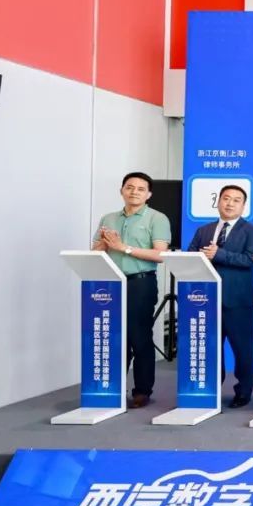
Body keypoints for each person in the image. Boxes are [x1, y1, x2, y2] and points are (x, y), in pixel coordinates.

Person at [91, 172, 171, 409]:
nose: (134, 192)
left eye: (140, 189)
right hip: (111, 284)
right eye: (129, 187)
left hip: (140, 283)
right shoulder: (108, 218)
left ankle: (142, 390)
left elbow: (160, 254)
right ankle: (114, 388)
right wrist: (105, 244)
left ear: (149, 194)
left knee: (139, 336)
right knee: (115, 336)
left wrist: (123, 247)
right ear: (122, 191)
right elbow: (96, 252)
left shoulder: (157, 218)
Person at [187, 184, 253, 408]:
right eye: (226, 198)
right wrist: (198, 258)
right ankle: (210, 388)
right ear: (218, 201)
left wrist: (219, 254)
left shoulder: (251, 230)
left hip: (238, 300)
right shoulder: (204, 230)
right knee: (209, 347)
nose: (230, 203)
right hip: (205, 299)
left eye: (236, 200)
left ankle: (243, 391)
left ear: (243, 205)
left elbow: (250, 260)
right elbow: (191, 256)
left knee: (242, 349)